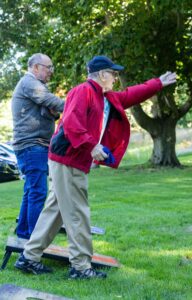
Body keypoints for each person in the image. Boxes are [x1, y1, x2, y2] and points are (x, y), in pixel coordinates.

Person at [14, 55, 176, 279]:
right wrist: (92, 146)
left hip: (69, 160)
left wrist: (157, 84)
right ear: (102, 75)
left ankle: (28, 258)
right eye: (113, 74)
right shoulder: (83, 91)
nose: (116, 79)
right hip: (68, 159)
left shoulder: (104, 96)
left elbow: (130, 95)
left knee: (56, 211)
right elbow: (71, 123)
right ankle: (81, 267)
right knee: (78, 212)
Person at [11, 53, 65, 240]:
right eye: (47, 67)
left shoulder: (39, 86)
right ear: (35, 67)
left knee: (31, 190)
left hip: (35, 146)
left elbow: (50, 112)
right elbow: (52, 103)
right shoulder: (29, 83)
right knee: (38, 192)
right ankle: (35, 241)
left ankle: (25, 234)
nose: (51, 71)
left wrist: (53, 111)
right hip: (31, 146)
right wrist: (74, 106)